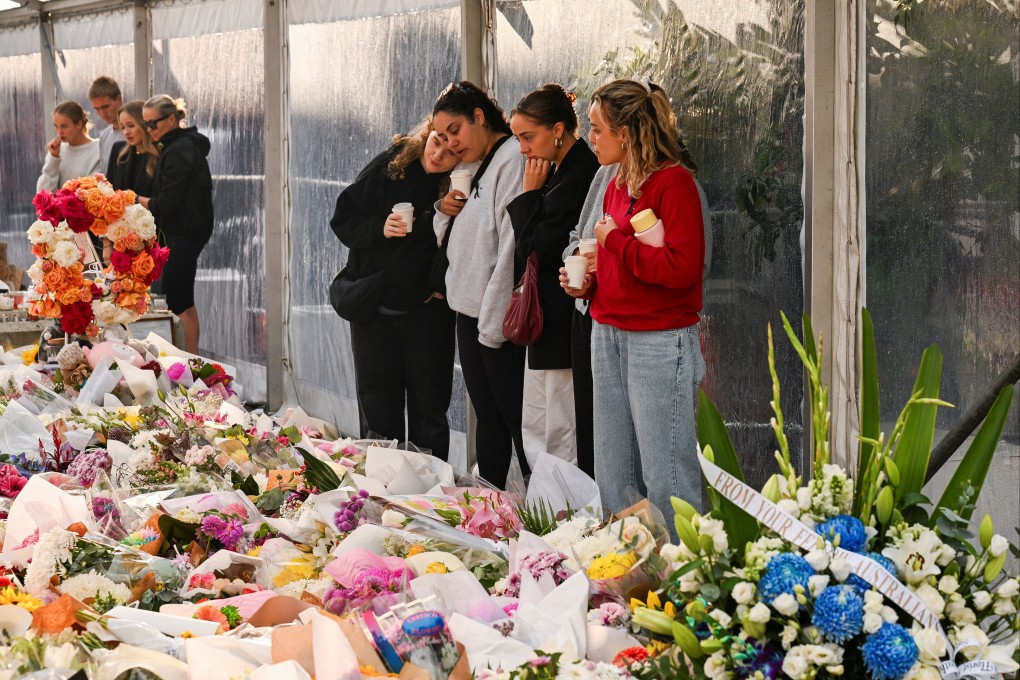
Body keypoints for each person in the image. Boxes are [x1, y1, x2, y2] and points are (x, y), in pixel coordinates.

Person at [561, 79, 706, 522]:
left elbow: (682, 271)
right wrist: (587, 284)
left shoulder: (674, 183)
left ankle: (683, 575)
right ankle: (624, 575)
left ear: (624, 134)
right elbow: (617, 262)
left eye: (597, 129)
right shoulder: (615, 182)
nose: (590, 139)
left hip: (658, 342)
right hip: (607, 332)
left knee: (667, 477)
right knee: (612, 471)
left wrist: (615, 243)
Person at [330, 121, 460, 460]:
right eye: (437, 141)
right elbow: (343, 219)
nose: (439, 154)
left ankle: (429, 495)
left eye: (451, 151)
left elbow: (470, 242)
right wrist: (380, 227)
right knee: (378, 410)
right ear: (427, 132)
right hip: (376, 309)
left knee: (428, 411)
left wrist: (443, 285)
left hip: (428, 311)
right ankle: (378, 490)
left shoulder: (461, 183)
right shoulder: (392, 166)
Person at [432, 81, 527, 488]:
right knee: (488, 417)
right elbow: (454, 237)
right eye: (442, 136)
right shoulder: (472, 165)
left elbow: (509, 247)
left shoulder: (510, 160)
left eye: (455, 130)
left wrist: (492, 323)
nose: (451, 142)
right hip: (468, 311)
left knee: (515, 419)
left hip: (496, 319)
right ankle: (492, 508)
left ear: (479, 116)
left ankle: (545, 513)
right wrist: (443, 209)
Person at [507, 84, 599, 470]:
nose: (523, 149)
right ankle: (548, 507)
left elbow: (537, 245)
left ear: (558, 129)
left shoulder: (581, 175)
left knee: (560, 424)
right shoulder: (562, 171)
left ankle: (565, 514)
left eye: (528, 137)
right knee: (540, 419)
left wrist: (530, 194)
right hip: (548, 316)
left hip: (562, 317)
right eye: (518, 139)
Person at [139, 95, 213, 355]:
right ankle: (193, 360)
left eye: (153, 123)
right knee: (184, 300)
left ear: (172, 119)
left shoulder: (179, 149)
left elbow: (167, 203)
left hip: (183, 233)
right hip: (185, 232)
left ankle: (190, 361)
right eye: (145, 124)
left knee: (176, 302)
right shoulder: (178, 146)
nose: (149, 130)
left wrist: (136, 200)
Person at [36, 100, 100, 192]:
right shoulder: (57, 151)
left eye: (64, 126)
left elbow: (94, 191)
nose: (59, 132)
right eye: (56, 126)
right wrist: (53, 158)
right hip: (57, 206)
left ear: (79, 124)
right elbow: (43, 193)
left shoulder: (98, 149)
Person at [107, 100, 158, 198]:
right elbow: (109, 190)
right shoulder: (118, 150)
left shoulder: (160, 155)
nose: (126, 132)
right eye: (122, 127)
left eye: (131, 126)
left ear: (145, 124)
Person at [88, 76, 125, 175]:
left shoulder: (137, 132)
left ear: (119, 99)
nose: (102, 113)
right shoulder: (105, 136)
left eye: (105, 107)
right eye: (97, 109)